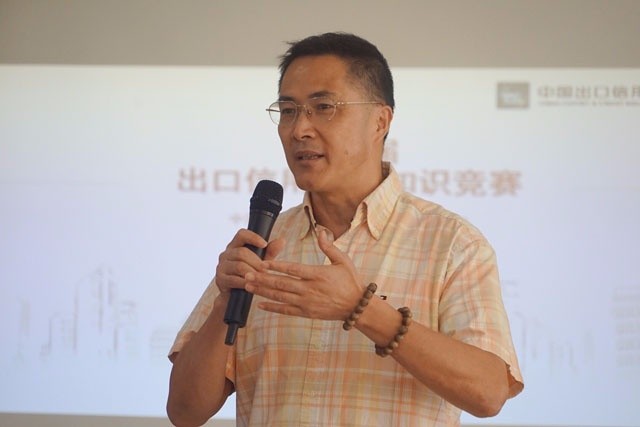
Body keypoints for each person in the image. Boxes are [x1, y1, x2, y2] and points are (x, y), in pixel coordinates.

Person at [166, 32, 523, 427]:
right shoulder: (264, 243)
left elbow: (489, 392)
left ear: (380, 121)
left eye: (324, 107)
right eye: (288, 110)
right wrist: (224, 304)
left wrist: (362, 309)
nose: (300, 129)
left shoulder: (451, 243)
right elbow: (184, 411)